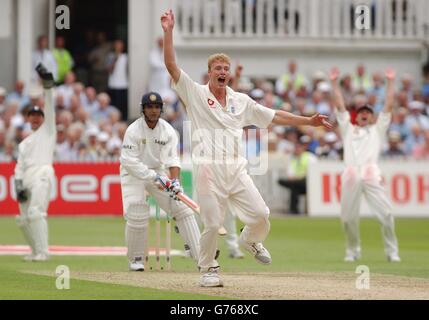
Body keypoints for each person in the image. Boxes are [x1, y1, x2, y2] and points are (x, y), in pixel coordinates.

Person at [161, 9, 331, 287]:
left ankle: (250, 241)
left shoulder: (241, 101)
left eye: (226, 69)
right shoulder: (195, 93)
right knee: (213, 224)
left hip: (236, 169)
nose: (223, 72)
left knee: (262, 216)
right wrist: (168, 31)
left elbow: (274, 115)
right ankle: (208, 269)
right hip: (208, 169)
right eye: (218, 69)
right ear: (209, 73)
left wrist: (309, 121)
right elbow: (171, 65)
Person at [120, 91, 201, 271]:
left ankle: (200, 255)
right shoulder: (133, 130)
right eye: (149, 107)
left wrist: (176, 182)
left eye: (157, 107)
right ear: (143, 109)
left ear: (161, 110)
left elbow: (173, 159)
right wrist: (153, 177)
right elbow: (128, 161)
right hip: (133, 173)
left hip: (157, 171)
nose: (153, 111)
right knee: (137, 211)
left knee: (182, 208)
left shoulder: (168, 131)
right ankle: (136, 259)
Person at [330, 67, 400, 262]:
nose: (364, 114)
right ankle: (353, 250)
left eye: (367, 112)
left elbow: (388, 105)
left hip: (371, 174)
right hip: (351, 174)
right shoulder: (348, 129)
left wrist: (391, 82)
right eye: (361, 111)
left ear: (372, 117)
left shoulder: (378, 129)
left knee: (386, 214)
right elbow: (339, 105)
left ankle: (391, 251)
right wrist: (335, 83)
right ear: (357, 115)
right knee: (347, 218)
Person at [14, 64, 56, 261]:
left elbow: (50, 105)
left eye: (39, 116)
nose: (36, 119)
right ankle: (34, 251)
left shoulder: (48, 132)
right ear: (28, 118)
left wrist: (47, 86)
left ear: (43, 118)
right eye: (33, 116)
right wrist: (18, 185)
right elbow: (19, 168)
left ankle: (43, 252)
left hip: (42, 173)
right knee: (23, 219)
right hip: (27, 178)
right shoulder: (24, 143)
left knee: (36, 212)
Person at [278, 136, 317, 214]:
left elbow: (314, 172)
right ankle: (293, 210)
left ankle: (293, 210)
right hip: (297, 182)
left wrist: (298, 178)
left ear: (303, 148)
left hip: (308, 182)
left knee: (294, 186)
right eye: (296, 147)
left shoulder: (310, 157)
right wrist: (295, 178)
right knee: (294, 187)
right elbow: (290, 174)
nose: (297, 149)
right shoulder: (293, 159)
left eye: (298, 147)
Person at [107, 39, 129, 120]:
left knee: (122, 104)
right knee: (114, 104)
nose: (118, 47)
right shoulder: (111, 56)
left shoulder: (126, 57)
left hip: (123, 84)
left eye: (120, 45)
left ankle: (123, 119)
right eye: (116, 45)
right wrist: (115, 59)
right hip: (113, 85)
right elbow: (109, 70)